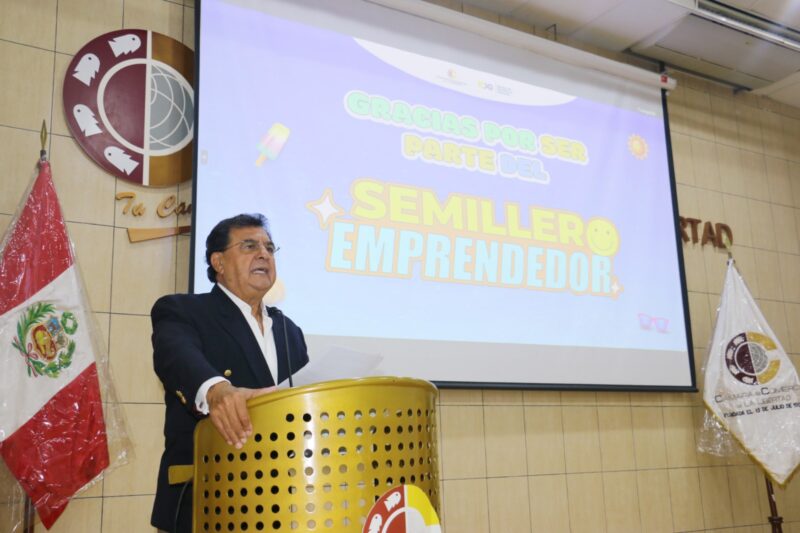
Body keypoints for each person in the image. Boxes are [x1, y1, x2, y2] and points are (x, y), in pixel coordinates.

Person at [150, 214, 309, 533]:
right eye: (249, 246)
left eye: (269, 248)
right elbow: (177, 357)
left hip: (281, 505)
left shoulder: (290, 331)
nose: (263, 254)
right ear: (218, 262)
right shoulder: (183, 310)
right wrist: (217, 390)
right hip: (208, 501)